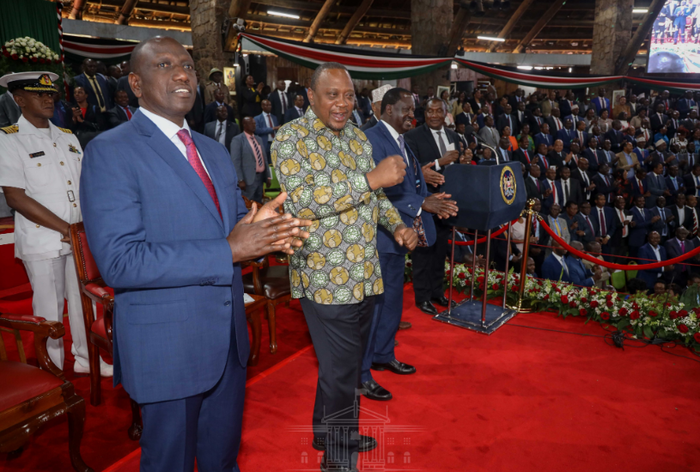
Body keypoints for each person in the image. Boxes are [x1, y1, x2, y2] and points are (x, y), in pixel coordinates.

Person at [80, 36, 311, 472]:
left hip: (227, 340)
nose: (183, 74)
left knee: (223, 461)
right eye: (165, 65)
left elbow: (228, 235)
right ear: (135, 83)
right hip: (167, 345)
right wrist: (229, 248)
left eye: (187, 65)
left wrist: (259, 235)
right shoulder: (110, 152)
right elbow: (120, 262)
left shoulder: (213, 151)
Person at [272, 62, 416, 472]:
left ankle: (329, 432)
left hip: (365, 274)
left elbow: (374, 199)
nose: (342, 103)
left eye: (348, 95)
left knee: (346, 365)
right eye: (332, 95)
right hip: (323, 276)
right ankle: (338, 460)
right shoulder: (290, 138)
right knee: (340, 372)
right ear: (311, 97)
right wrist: (371, 180)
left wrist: (399, 226)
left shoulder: (355, 137)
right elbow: (303, 200)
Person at [0, 71, 99, 376]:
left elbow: (85, 187)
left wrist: (84, 227)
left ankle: (86, 358)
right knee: (49, 308)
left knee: (85, 302)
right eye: (37, 94)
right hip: (45, 238)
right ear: (19, 100)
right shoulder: (9, 138)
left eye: (50, 94)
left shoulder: (67, 137)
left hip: (77, 235)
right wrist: (65, 228)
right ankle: (50, 370)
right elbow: (16, 197)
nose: (47, 99)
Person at [361, 87, 456, 402]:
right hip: (379, 235)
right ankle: (361, 375)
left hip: (398, 236)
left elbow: (410, 176)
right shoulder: (372, 138)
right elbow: (377, 191)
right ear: (388, 109)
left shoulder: (402, 140)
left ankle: (383, 353)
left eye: (412, 109)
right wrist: (422, 203)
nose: (411, 115)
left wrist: (424, 180)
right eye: (405, 109)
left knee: (391, 303)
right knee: (373, 307)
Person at [404, 98, 461, 315]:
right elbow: (411, 169)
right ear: (425, 114)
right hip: (425, 203)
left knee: (440, 253)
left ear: (446, 113)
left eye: (439, 111)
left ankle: (438, 292)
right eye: (430, 111)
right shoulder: (412, 137)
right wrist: (440, 162)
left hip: (447, 204)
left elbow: (455, 170)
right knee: (423, 253)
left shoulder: (454, 137)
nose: (434, 115)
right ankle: (422, 297)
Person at [230, 116, 270, 203]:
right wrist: (240, 179)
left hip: (260, 177)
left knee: (259, 203)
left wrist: (268, 176)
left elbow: (264, 158)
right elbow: (235, 161)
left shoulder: (258, 138)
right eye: (251, 123)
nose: (254, 125)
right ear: (244, 125)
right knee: (247, 204)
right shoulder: (238, 140)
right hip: (247, 179)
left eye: (254, 123)